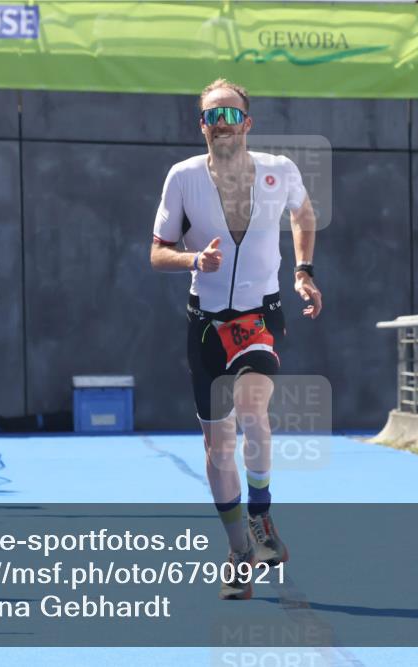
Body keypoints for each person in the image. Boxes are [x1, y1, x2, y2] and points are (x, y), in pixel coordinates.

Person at [150, 78, 322, 600]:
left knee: (251, 409)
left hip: (260, 315)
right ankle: (239, 551)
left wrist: (304, 271)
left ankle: (261, 514)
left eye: (230, 115)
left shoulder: (279, 170)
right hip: (205, 322)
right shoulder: (181, 178)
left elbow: (304, 214)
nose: (221, 124)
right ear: (201, 124)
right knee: (217, 443)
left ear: (247, 123)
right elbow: (157, 252)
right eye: (211, 116)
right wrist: (191, 259)